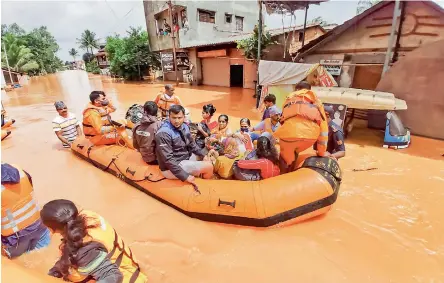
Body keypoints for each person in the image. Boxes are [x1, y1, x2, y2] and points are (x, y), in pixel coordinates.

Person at [40, 199, 147, 283]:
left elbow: (113, 275)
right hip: (129, 268)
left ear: (51, 230)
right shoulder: (87, 217)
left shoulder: (84, 251)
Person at [273, 81, 329, 172]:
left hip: (289, 136)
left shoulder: (288, 99)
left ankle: (282, 175)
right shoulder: (317, 101)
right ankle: (293, 170)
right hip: (309, 138)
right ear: (309, 90)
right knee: (296, 149)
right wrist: (321, 152)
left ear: (296, 89)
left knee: (285, 156)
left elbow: (283, 120)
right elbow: (324, 128)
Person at [1, 163, 50, 259]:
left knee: (13, 261)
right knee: (43, 255)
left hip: (16, 236)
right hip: (40, 224)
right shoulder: (19, 171)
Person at [155, 105, 213, 184]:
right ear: (169, 117)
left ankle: (202, 174)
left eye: (179, 118)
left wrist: (203, 155)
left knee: (208, 158)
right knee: (209, 167)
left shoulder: (185, 126)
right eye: (174, 118)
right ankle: (207, 185)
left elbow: (192, 144)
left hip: (184, 157)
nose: (177, 121)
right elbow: (168, 159)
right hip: (173, 167)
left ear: (184, 117)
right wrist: (185, 176)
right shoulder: (164, 133)